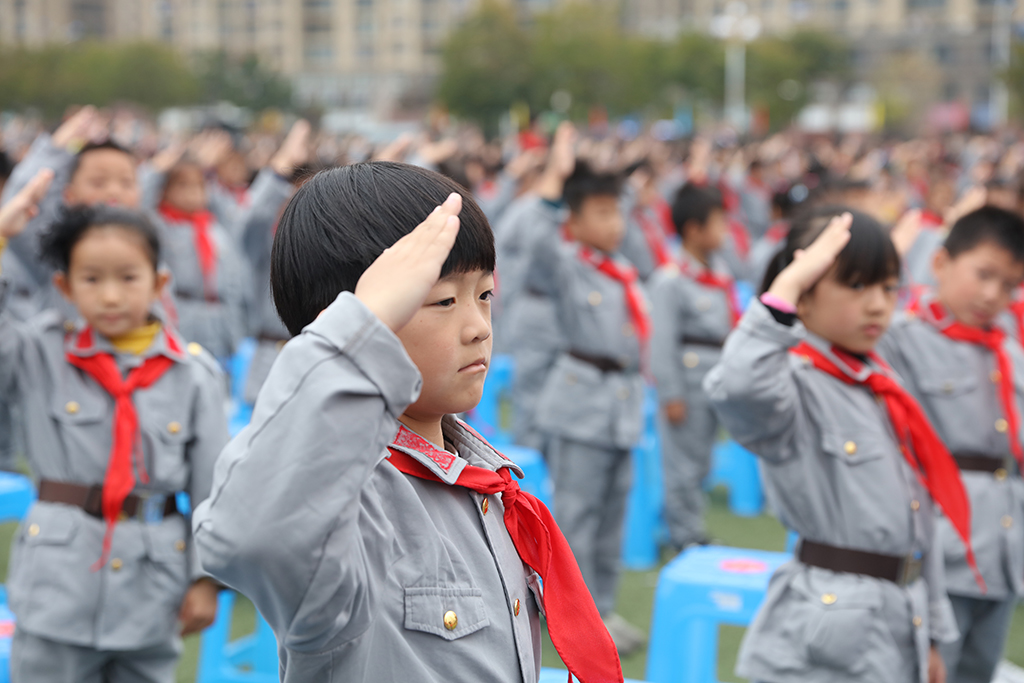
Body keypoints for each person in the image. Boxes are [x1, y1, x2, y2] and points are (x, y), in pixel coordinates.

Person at [191, 161, 622, 683]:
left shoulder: (478, 482)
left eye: (483, 295)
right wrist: (359, 330)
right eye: (442, 300)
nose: (478, 328)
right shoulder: (352, 501)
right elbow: (251, 535)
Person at [704, 207, 976, 683]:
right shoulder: (792, 388)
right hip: (830, 632)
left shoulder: (880, 382)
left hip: (900, 615)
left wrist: (930, 636)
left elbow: (920, 523)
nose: (877, 304)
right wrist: (786, 288)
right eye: (856, 286)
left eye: (888, 287)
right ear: (804, 300)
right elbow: (739, 385)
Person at [0, 179, 226, 682]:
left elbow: (214, 489)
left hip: (153, 588)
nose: (110, 295)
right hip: (56, 588)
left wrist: (206, 580)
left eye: (128, 277)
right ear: (64, 287)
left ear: (158, 283)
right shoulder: (39, 353)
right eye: (91, 279)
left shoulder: (193, 375)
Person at [879, 206, 1024, 683]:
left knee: (979, 670)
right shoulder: (901, 338)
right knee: (927, 669)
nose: (992, 295)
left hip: (1004, 545)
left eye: (1008, 285)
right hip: (943, 545)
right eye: (983, 274)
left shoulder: (1006, 347)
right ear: (939, 262)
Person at [525, 160, 648, 654]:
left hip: (621, 403)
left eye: (616, 213)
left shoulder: (622, 266)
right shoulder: (568, 264)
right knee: (577, 515)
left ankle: (604, 610)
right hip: (581, 402)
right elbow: (535, 243)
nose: (614, 223)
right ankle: (567, 617)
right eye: (601, 213)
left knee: (612, 516)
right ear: (573, 222)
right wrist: (553, 197)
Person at [650, 182, 735, 552]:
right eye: (718, 223)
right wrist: (671, 392)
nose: (725, 231)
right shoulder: (671, 280)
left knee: (700, 461)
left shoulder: (719, 272)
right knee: (682, 464)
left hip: (714, 380)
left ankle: (691, 527)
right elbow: (662, 342)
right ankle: (683, 536)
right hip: (687, 381)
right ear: (693, 230)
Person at [149, 159, 251, 362]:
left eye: (199, 185)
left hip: (217, 323)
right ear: (164, 191)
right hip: (181, 318)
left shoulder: (215, 229)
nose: (192, 192)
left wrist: (235, 332)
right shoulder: (159, 227)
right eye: (182, 185)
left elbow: (234, 284)